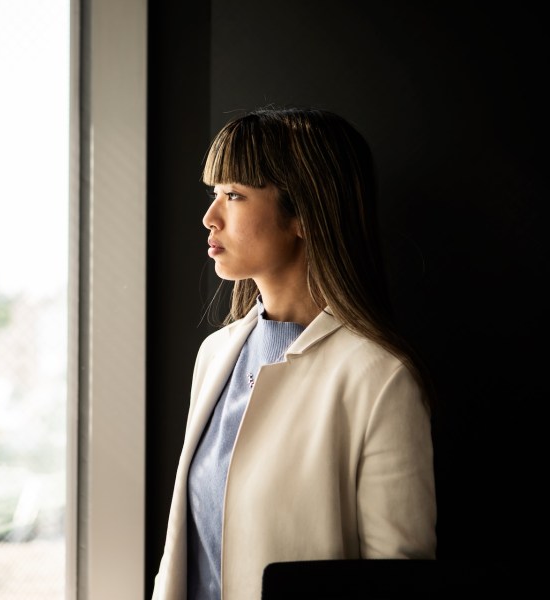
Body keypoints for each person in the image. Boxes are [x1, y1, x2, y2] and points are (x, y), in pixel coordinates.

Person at [151, 106, 437, 600]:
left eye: (234, 195)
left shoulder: (379, 378)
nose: (209, 217)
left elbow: (399, 580)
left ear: (303, 213)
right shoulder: (215, 355)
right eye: (214, 194)